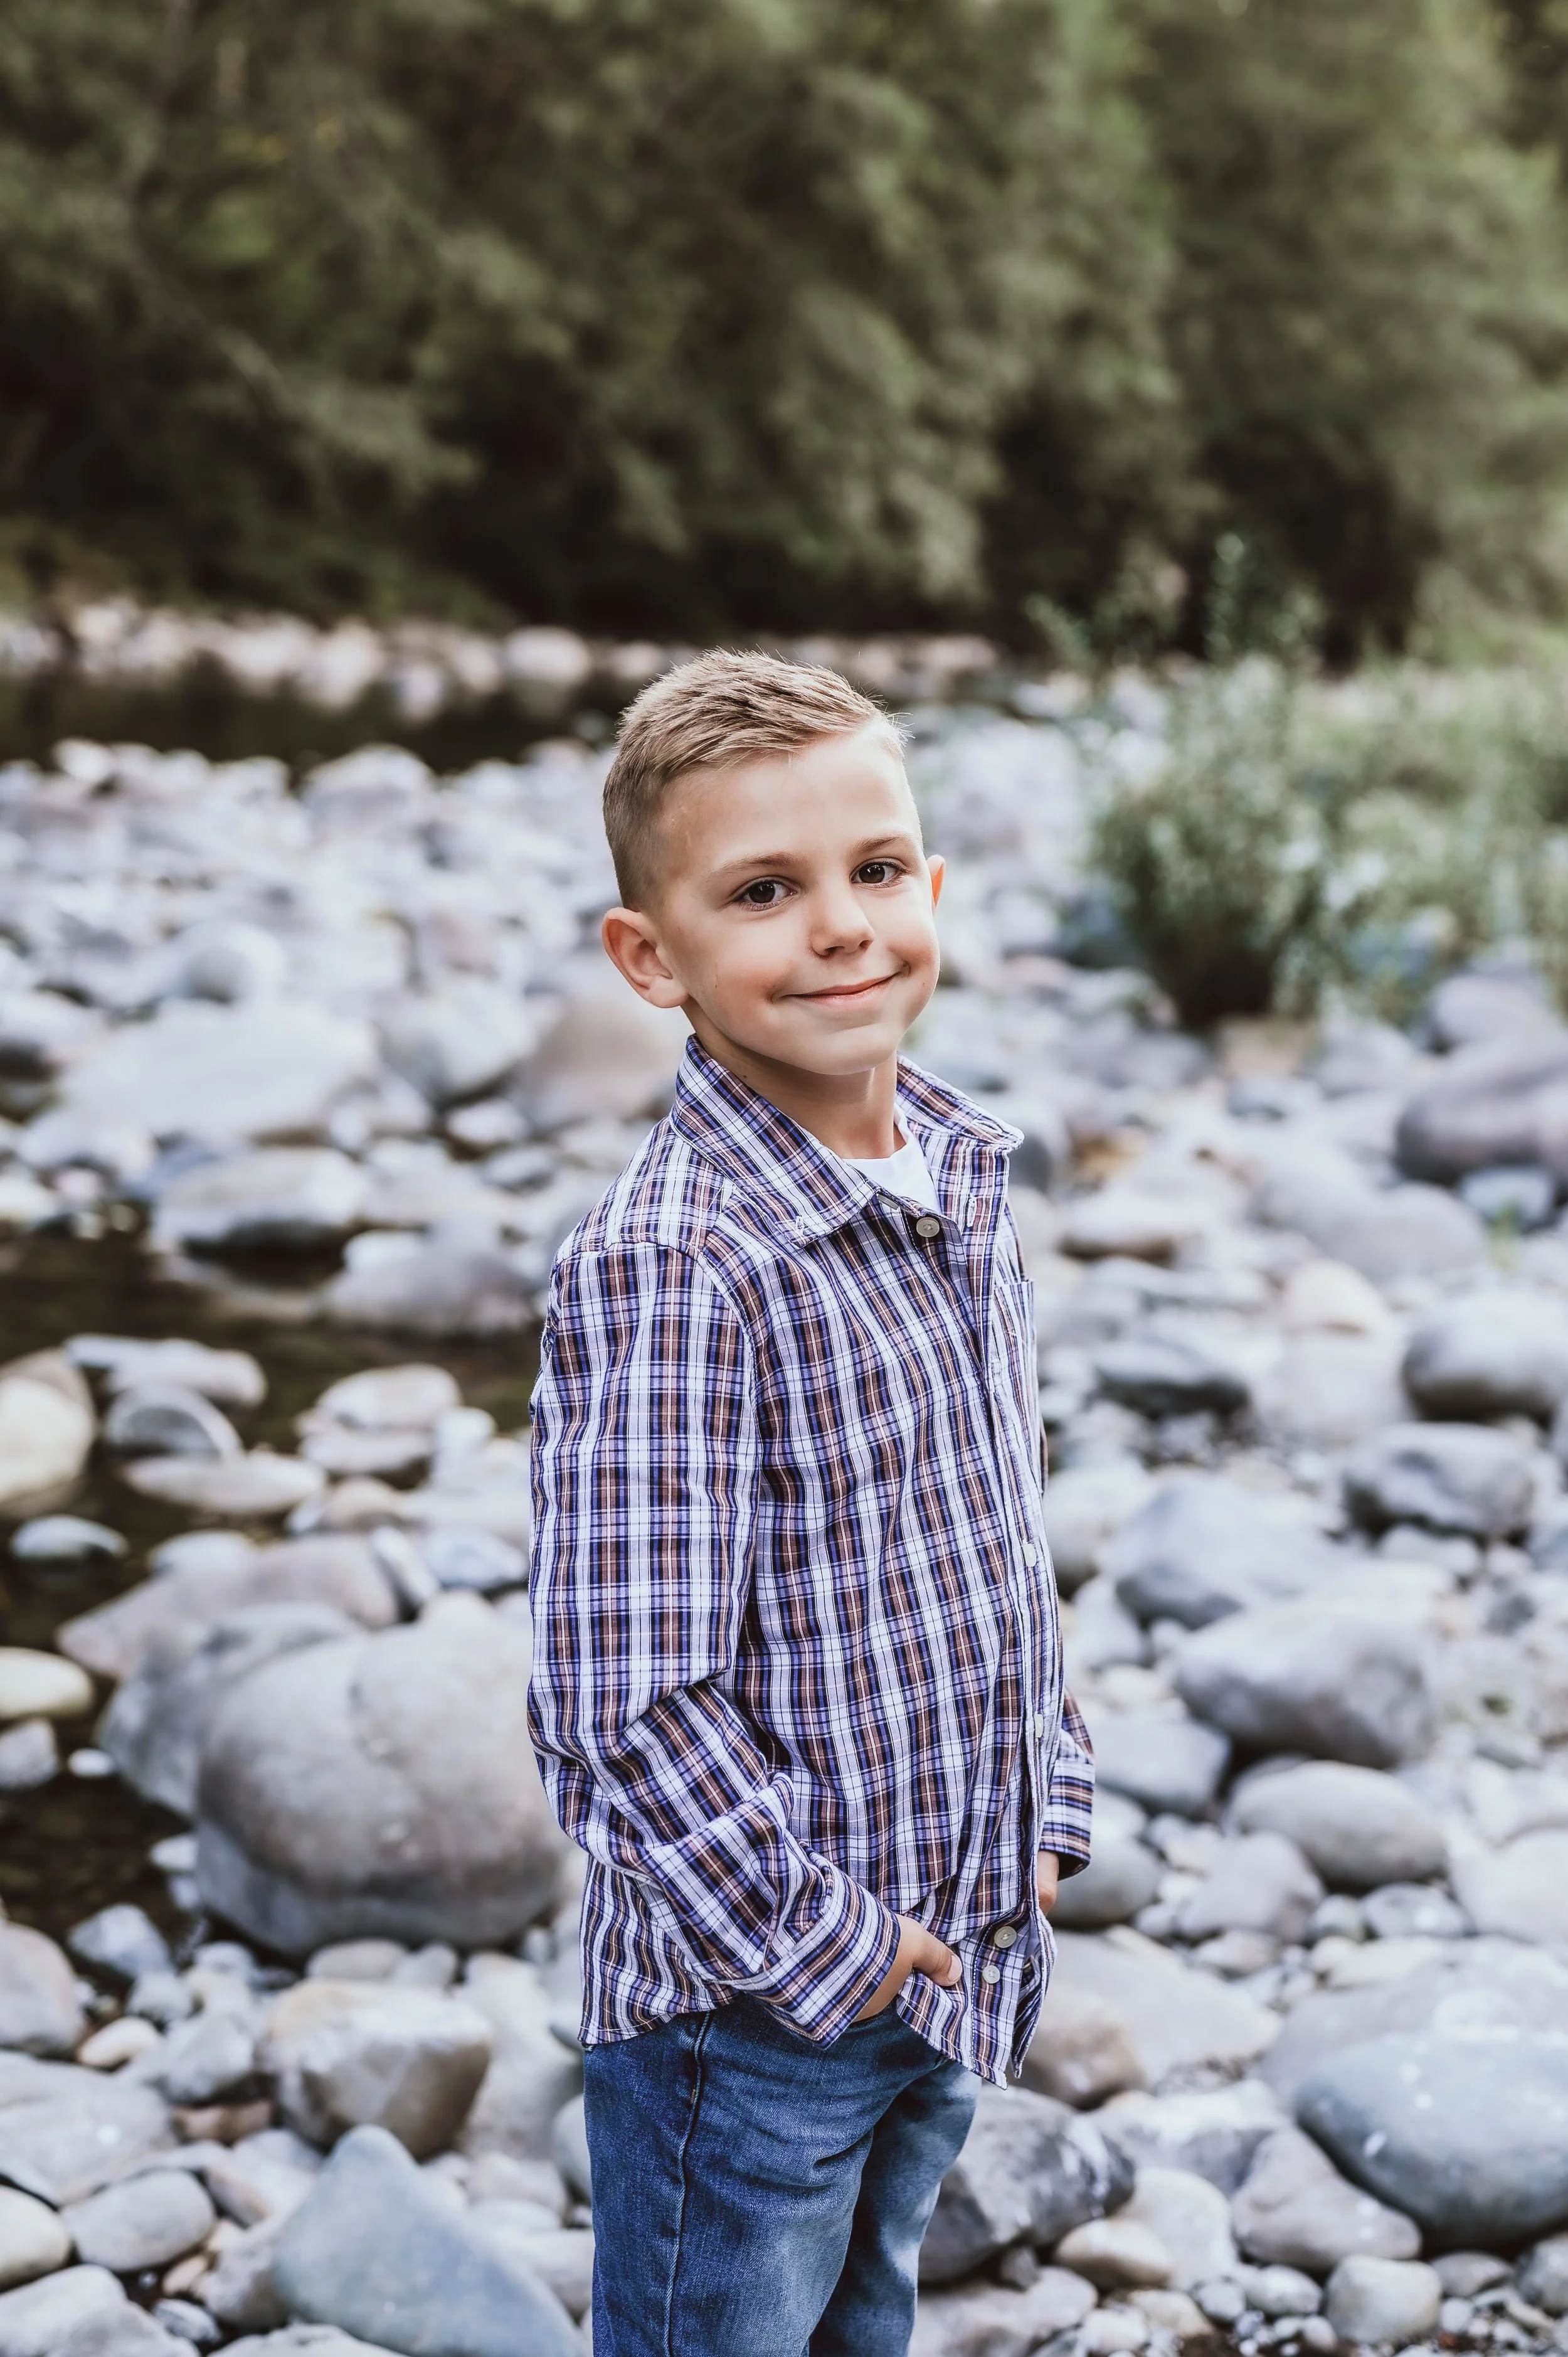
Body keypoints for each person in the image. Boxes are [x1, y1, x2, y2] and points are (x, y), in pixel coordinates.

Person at [527, 648, 1095, 2357]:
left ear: (931, 889)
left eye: (871, 873)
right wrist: (831, 1941)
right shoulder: (677, 1266)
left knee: (869, 2312)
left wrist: (1042, 1791)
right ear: (652, 956)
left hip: (950, 1944)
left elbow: (995, 1530)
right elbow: (618, 1701)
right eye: (763, 891)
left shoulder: (953, 1173)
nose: (839, 926)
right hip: (751, 2007)